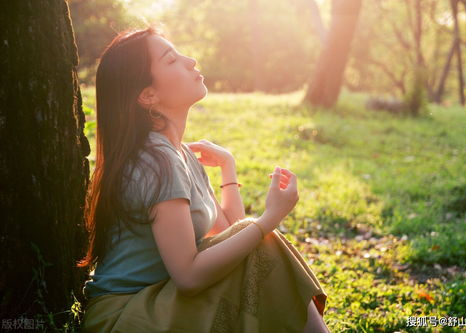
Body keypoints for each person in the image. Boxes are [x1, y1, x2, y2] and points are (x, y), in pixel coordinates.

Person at [77, 26, 329, 333]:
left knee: (258, 241)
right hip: (126, 316)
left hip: (159, 301)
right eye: (171, 60)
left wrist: (228, 168)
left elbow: (231, 238)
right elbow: (189, 277)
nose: (191, 60)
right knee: (263, 238)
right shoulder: (156, 161)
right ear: (148, 95)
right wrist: (269, 218)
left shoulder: (177, 153)